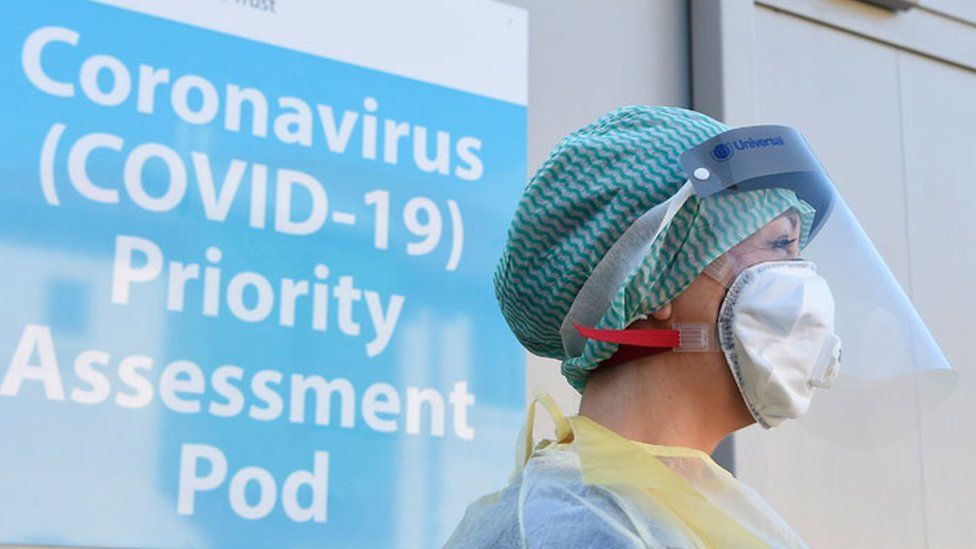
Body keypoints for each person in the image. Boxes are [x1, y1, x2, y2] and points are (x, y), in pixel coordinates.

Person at [445, 105, 951, 548]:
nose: (806, 286)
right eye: (779, 245)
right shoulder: (579, 527)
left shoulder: (674, 510)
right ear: (651, 282)